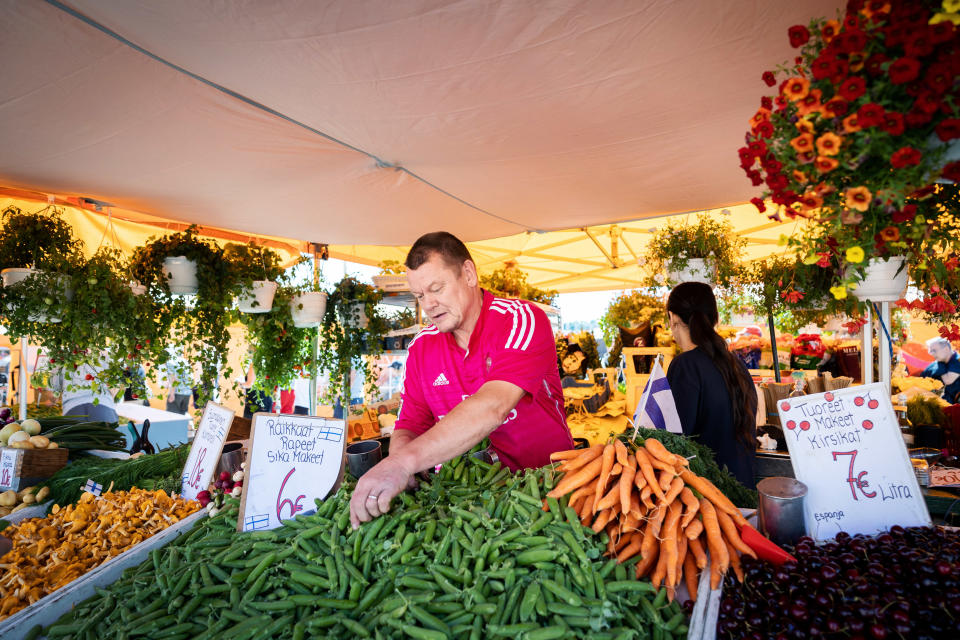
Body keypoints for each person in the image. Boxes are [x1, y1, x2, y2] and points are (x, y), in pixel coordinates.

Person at [349, 232, 573, 528]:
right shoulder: (421, 349)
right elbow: (410, 426)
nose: (428, 304)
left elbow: (493, 406)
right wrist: (403, 469)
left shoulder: (521, 320)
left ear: (468, 274)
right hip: (468, 509)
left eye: (436, 288)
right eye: (419, 296)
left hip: (550, 495)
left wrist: (401, 463)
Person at [665, 282, 758, 489]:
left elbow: (675, 440)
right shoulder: (736, 364)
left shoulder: (685, 365)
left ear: (673, 318)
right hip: (742, 491)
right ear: (714, 318)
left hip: (706, 496)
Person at [921, 336, 960, 403]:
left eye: (934, 350)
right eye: (930, 351)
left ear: (946, 349)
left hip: (946, 402)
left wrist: (940, 367)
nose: (931, 354)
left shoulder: (957, 360)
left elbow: (948, 380)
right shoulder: (939, 362)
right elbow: (922, 377)